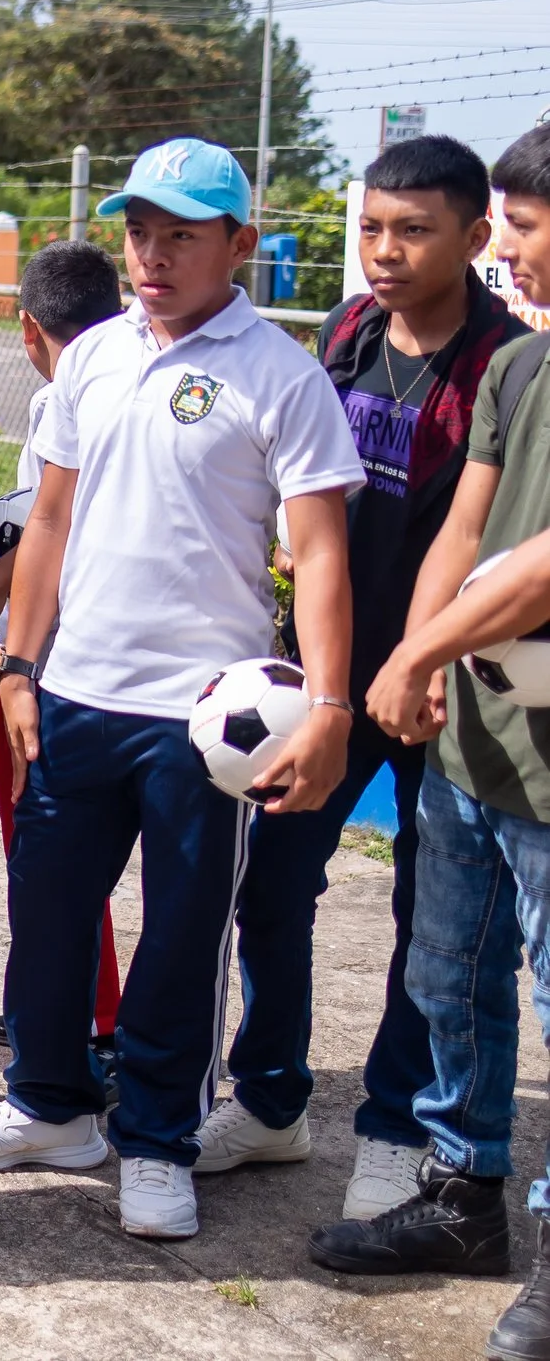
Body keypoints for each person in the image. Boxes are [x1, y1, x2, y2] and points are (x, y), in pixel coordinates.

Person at [0, 137, 363, 1246]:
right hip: (74, 691)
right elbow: (50, 521)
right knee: (48, 914)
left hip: (203, 719)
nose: (153, 255)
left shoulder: (281, 374)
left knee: (176, 937)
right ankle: (45, 1105)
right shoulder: (91, 360)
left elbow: (316, 555)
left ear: (239, 246)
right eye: (138, 232)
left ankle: (160, 1138)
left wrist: (327, 704)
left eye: (180, 233)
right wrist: (21, 666)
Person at [206, 135, 525, 1220]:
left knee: (427, 922)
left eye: (412, 230)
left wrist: (420, 653)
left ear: (475, 237)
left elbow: (480, 532)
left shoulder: (503, 364)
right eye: (370, 229)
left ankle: (392, 1123)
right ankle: (271, 1095)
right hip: (326, 675)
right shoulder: (344, 333)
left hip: (436, 685)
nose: (382, 252)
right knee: (273, 881)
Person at [310, 126, 550, 1361]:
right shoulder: (523, 370)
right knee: (450, 972)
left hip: (528, 745)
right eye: (504, 221)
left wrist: (411, 654)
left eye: (520, 223)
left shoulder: (501, 350)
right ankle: (463, 1199)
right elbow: (465, 523)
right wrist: (412, 661)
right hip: (469, 728)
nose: (506, 247)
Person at [0, 241, 126, 1070]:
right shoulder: (101, 389)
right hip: (60, 660)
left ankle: (87, 1020)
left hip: (55, 670)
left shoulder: (87, 400)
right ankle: (69, 1001)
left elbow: (72, 517)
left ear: (27, 331)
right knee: (54, 851)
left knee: (51, 845)